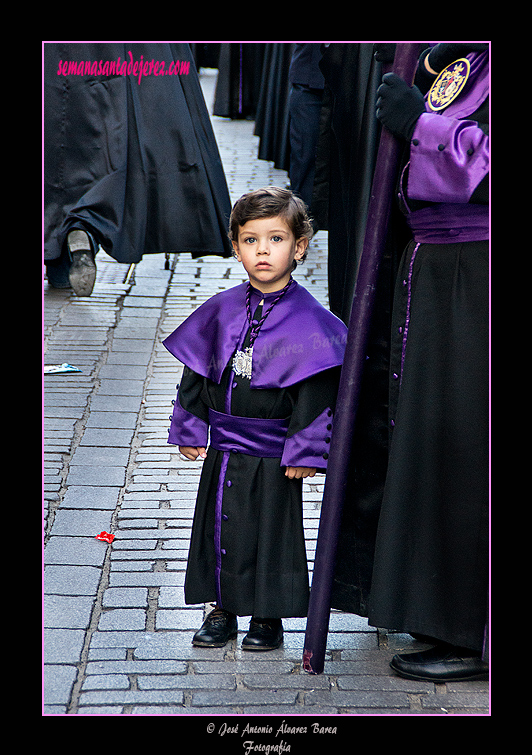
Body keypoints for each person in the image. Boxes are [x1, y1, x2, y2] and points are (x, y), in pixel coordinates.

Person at [163, 187, 347, 651]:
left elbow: (316, 391)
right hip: (224, 447)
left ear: (299, 246)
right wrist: (189, 426)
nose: (262, 251)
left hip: (272, 451)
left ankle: (267, 616)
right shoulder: (221, 309)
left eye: (276, 239)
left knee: (271, 531)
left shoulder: (310, 320)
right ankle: (221, 608)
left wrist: (306, 451)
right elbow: (196, 371)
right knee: (217, 523)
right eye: (250, 240)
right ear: (235, 245)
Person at [361, 43, 489, 681]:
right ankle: (445, 617)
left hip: (482, 275)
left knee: (472, 448)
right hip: (440, 271)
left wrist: (424, 126)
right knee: (441, 443)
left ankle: (473, 630)